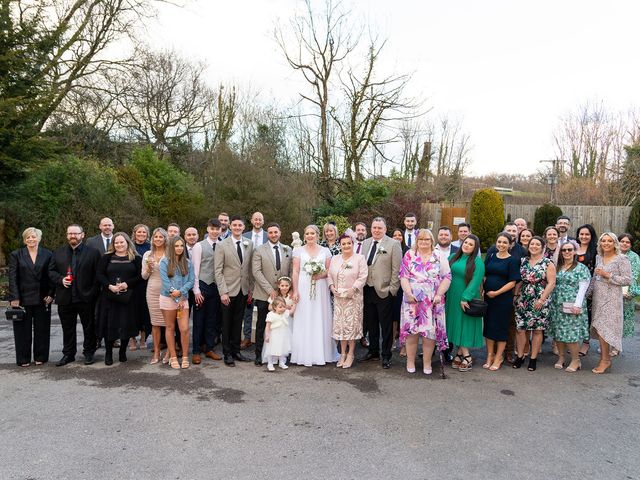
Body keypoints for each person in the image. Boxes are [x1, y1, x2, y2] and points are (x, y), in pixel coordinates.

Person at [399, 228, 451, 375]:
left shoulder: (439, 255)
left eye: (426, 239)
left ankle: (427, 362)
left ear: (431, 241)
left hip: (432, 301)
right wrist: (408, 293)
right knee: (412, 332)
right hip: (412, 300)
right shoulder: (409, 254)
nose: (423, 242)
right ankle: (410, 361)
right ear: (417, 241)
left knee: (430, 333)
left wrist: (439, 294)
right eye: (420, 239)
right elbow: (403, 276)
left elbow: (447, 277)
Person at [49, 224, 101, 366]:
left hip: (86, 298)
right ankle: (68, 354)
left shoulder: (93, 253)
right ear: (67, 235)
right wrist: (60, 280)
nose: (73, 236)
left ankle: (89, 353)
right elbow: (51, 272)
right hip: (65, 297)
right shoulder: (58, 252)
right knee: (68, 328)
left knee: (89, 327)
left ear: (82, 235)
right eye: (70, 233)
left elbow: (98, 275)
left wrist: (92, 293)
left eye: (76, 233)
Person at [291, 225, 338, 366]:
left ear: (317, 235)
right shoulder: (298, 251)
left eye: (312, 233)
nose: (310, 236)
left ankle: (322, 352)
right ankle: (303, 352)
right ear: (304, 236)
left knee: (320, 316)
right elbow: (295, 271)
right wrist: (295, 290)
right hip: (303, 286)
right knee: (304, 316)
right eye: (307, 233)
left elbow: (329, 270)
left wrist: (320, 275)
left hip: (320, 287)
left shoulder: (325, 251)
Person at [8, 227, 55, 367]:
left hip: (43, 298)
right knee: (22, 330)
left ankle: (41, 356)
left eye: (33, 237)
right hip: (22, 298)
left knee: (42, 329)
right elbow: (12, 277)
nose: (31, 239)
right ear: (24, 240)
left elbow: (51, 276)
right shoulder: (16, 254)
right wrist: (14, 297)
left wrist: (51, 294)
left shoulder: (47, 254)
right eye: (28, 237)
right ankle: (23, 358)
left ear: (39, 238)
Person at [360, 217, 402, 369]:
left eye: (379, 228)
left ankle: (386, 355)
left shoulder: (393, 244)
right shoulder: (365, 243)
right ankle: (373, 352)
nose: (376, 230)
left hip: (385, 290)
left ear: (385, 229)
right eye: (374, 227)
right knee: (371, 323)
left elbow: (397, 270)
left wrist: (393, 289)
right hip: (368, 288)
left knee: (385, 326)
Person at [96, 232, 142, 365]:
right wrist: (109, 286)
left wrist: (127, 284)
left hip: (128, 298)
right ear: (113, 244)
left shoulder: (135, 258)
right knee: (109, 325)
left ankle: (122, 351)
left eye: (122, 242)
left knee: (126, 324)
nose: (119, 244)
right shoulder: (107, 257)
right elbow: (99, 274)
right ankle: (108, 352)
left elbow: (140, 276)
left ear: (127, 242)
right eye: (116, 242)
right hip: (109, 296)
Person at [214, 215, 254, 366]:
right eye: (235, 225)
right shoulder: (222, 245)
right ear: (230, 226)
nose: (237, 227)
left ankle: (236, 351)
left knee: (238, 322)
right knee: (226, 323)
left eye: (240, 225)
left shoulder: (249, 244)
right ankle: (227, 353)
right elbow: (218, 270)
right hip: (228, 291)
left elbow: (249, 268)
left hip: (243, 290)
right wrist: (223, 292)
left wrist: (250, 289)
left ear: (244, 227)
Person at [251, 222, 293, 366]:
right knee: (263, 324)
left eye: (276, 232)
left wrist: (288, 290)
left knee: (281, 325)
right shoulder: (259, 250)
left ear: (280, 233)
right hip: (264, 294)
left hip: (282, 296)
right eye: (270, 232)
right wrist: (270, 290)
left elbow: (290, 271)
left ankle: (280, 354)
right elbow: (256, 271)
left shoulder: (288, 249)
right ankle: (258, 355)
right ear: (267, 234)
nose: (273, 235)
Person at [590, 232, 631, 374]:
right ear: (600, 243)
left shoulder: (622, 259)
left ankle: (605, 360)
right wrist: (586, 294)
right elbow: (595, 277)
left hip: (612, 299)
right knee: (600, 328)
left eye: (609, 241)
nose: (606, 243)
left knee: (606, 329)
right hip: (598, 297)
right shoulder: (598, 257)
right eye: (603, 241)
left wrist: (608, 275)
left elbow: (627, 280)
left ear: (615, 243)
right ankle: (605, 358)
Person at [513, 236, 556, 371]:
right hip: (523, 298)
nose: (534, 246)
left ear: (543, 247)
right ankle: (520, 356)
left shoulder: (548, 263)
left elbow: (552, 283)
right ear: (528, 246)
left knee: (537, 330)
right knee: (520, 329)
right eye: (532, 244)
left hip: (539, 298)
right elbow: (519, 280)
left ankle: (533, 358)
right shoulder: (523, 261)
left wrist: (542, 299)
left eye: (538, 244)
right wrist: (515, 295)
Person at [548, 241, 590, 373]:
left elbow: (584, 287)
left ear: (575, 251)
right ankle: (561, 358)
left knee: (571, 334)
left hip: (572, 305)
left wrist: (577, 304)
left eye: (569, 250)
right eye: (564, 250)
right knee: (558, 333)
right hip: (557, 304)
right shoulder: (558, 267)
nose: (566, 252)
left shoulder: (581, 268)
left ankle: (576, 360)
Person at [445, 234, 485, 372]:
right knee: (455, 324)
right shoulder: (452, 258)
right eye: (465, 242)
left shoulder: (477, 262)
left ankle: (467, 356)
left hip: (465, 297)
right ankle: (459, 353)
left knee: (463, 325)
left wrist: (465, 297)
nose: (467, 245)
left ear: (475, 248)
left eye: (470, 244)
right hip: (451, 296)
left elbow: (476, 281)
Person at [327, 234, 368, 369]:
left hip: (353, 297)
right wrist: (332, 287)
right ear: (340, 245)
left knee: (351, 326)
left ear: (353, 244)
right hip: (339, 298)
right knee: (341, 326)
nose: (346, 246)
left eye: (348, 243)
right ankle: (342, 353)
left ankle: (350, 354)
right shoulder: (335, 259)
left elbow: (363, 276)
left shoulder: (359, 258)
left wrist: (354, 288)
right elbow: (329, 275)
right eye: (343, 244)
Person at [483, 233, 520, 371]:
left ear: (510, 244)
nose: (501, 245)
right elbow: (484, 274)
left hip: (502, 299)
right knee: (489, 326)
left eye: (505, 242)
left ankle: (499, 357)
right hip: (488, 299)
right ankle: (489, 355)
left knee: (500, 327)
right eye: (499, 242)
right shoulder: (491, 256)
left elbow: (512, 282)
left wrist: (496, 293)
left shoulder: (512, 260)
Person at [190, 219, 223, 365]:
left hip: (217, 287)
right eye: (212, 228)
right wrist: (196, 290)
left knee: (212, 320)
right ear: (208, 229)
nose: (215, 231)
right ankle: (196, 351)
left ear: (221, 230)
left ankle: (209, 348)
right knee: (199, 320)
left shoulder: (222, 245)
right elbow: (195, 269)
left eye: (218, 229)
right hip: (202, 285)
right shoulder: (199, 246)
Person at [159, 235, 194, 369]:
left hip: (183, 299)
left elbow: (191, 281)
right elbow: (166, 282)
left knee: (184, 329)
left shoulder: (188, 262)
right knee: (170, 328)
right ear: (171, 247)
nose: (179, 248)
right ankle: (173, 357)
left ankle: (185, 356)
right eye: (176, 246)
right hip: (168, 299)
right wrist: (176, 295)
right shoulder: (164, 262)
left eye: (181, 246)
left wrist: (181, 294)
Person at [241, 212, 268, 349]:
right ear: (251, 221)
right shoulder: (244, 236)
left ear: (263, 221)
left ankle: (264, 338)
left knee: (265, 309)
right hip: (248, 277)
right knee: (248, 308)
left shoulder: (268, 236)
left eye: (260, 219)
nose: (257, 221)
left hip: (264, 276)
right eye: (255, 219)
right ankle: (246, 337)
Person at [141, 227, 168, 365]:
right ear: (152, 239)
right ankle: (157, 351)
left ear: (165, 239)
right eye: (155, 237)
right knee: (155, 323)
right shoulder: (147, 254)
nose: (158, 239)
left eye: (160, 237)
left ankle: (169, 351)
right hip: (152, 290)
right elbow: (144, 276)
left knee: (169, 324)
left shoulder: (171, 253)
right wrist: (149, 269)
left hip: (168, 291)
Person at [575, 224, 597, 356]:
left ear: (591, 236)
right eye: (581, 234)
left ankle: (586, 343)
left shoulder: (595, 251)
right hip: (572, 289)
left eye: (587, 234)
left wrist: (591, 289)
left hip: (589, 289)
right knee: (574, 314)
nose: (584, 236)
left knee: (587, 316)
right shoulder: (572, 249)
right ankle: (574, 341)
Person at [131, 224, 151, 351]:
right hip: (133, 284)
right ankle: (132, 339)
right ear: (134, 233)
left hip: (147, 283)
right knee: (133, 313)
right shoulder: (130, 247)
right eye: (139, 232)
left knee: (145, 312)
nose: (141, 234)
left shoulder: (151, 247)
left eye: (144, 232)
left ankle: (143, 338)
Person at [619, 233, 640, 342]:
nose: (625, 244)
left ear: (631, 245)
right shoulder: (613, 254)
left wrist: (629, 292)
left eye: (628, 242)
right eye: (622, 241)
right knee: (612, 320)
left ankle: (617, 346)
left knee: (623, 319)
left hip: (626, 293)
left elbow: (634, 276)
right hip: (612, 291)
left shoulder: (634, 257)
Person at [262, 297, 293, 371]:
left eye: (284, 307)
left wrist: (294, 303)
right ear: (275, 307)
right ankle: (270, 363)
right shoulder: (271, 314)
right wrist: (267, 335)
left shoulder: (285, 313)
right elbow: (267, 327)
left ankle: (281, 362)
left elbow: (291, 311)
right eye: (280, 307)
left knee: (282, 348)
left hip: (283, 335)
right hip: (273, 335)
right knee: (271, 349)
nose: (282, 309)